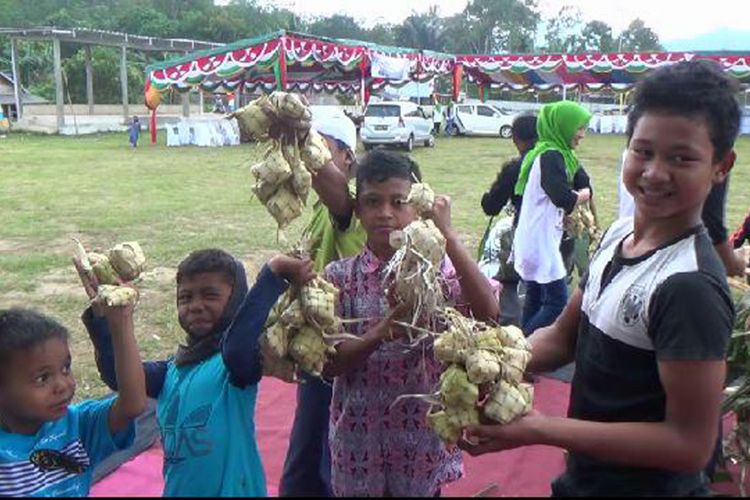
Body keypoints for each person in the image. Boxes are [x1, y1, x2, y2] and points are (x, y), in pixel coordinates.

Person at [459, 59, 740, 497]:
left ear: (721, 166)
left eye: (682, 158)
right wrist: (482, 365)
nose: (655, 172)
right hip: (586, 481)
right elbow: (565, 336)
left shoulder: (690, 286)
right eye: (643, 151)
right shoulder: (617, 236)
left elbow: (689, 445)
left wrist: (543, 429)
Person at [322, 148, 500, 497]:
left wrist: (447, 234)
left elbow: (488, 312)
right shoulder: (339, 276)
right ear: (358, 211)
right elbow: (330, 364)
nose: (385, 213)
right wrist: (380, 332)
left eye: (398, 202)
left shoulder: (439, 274)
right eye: (373, 202)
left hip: (420, 440)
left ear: (416, 210)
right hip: (358, 439)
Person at [81, 249, 315, 496]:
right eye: (185, 298)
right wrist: (103, 315)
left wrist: (273, 273)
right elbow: (118, 375)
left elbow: (235, 347)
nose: (195, 306)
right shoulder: (171, 372)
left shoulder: (236, 368)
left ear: (236, 299)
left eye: (210, 296)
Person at [279, 109, 368, 498]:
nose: (309, 157)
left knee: (328, 459)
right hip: (316, 347)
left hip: (342, 347)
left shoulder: (354, 211)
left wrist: (299, 139)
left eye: (322, 148)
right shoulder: (318, 210)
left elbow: (333, 191)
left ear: (347, 157)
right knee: (306, 451)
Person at [0, 306, 146, 497]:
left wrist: (121, 321)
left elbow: (132, 404)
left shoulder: (76, 426)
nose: (63, 385)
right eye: (42, 378)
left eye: (66, 368)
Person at [511, 101, 592, 336]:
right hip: (539, 240)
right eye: (579, 128)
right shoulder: (550, 156)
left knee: (534, 298)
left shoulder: (561, 155)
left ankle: (521, 352)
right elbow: (561, 197)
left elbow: (582, 179)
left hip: (538, 237)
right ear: (563, 126)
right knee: (557, 302)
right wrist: (583, 195)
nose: (582, 135)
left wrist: (584, 190)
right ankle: (520, 348)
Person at [619, 149, 747, 277]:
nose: (654, 174)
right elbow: (712, 231)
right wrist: (733, 262)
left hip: (629, 255)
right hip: (670, 267)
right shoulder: (708, 144)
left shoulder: (615, 235)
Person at [480, 113, 538, 326]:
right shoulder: (562, 160)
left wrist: (487, 196)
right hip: (562, 239)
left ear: (515, 138)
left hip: (527, 237)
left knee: (515, 285)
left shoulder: (516, 168)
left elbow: (491, 206)